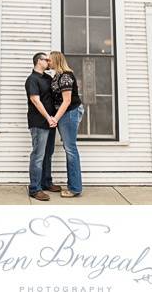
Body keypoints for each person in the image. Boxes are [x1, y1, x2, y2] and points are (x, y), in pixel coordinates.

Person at [48, 51, 85, 198]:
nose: (47, 62)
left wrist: (55, 119)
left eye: (49, 60)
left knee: (70, 149)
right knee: (69, 148)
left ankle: (75, 188)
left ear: (56, 61)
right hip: (63, 114)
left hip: (69, 113)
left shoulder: (66, 77)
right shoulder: (57, 76)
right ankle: (74, 185)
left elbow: (67, 101)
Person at [25, 52, 59, 201]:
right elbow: (36, 101)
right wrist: (48, 118)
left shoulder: (48, 78)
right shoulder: (32, 79)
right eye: (47, 60)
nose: (49, 62)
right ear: (39, 61)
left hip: (51, 122)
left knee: (48, 153)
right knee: (38, 156)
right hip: (39, 122)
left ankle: (46, 182)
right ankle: (34, 189)